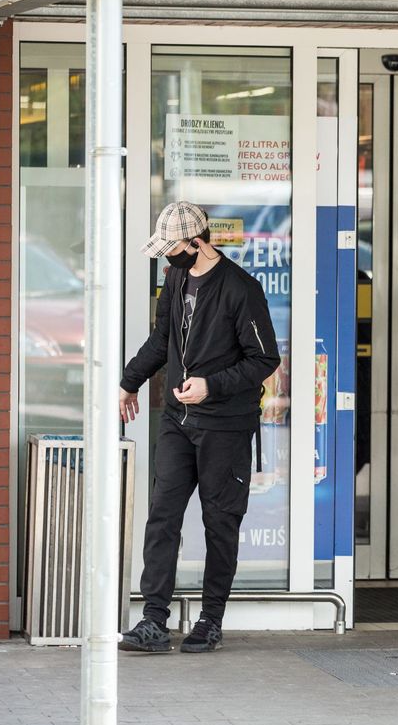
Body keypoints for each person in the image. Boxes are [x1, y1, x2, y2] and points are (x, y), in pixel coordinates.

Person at [117, 201, 280, 653]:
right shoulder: (174, 278)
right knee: (163, 513)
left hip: (225, 426)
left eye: (174, 250)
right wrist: (128, 383)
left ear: (197, 242)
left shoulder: (240, 289)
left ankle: (210, 619)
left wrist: (212, 386)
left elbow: (265, 359)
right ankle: (153, 621)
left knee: (219, 520)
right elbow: (162, 339)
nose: (169, 258)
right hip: (177, 420)